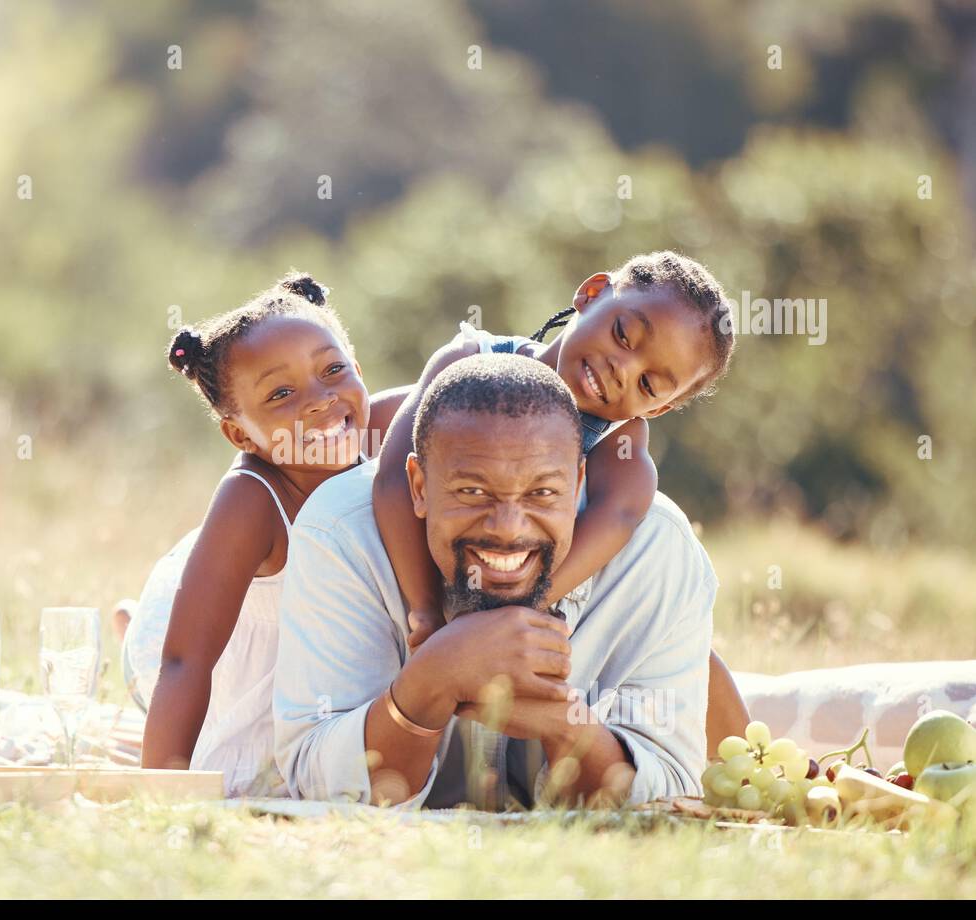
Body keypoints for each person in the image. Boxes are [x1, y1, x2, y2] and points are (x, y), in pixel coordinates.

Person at [275, 354, 718, 809]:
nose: (508, 528)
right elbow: (316, 783)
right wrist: (430, 682)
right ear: (420, 486)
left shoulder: (658, 551)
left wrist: (564, 723)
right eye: (472, 492)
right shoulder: (340, 532)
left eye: (542, 492)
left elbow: (669, 793)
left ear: (577, 480)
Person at [372, 251, 750, 752]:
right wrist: (423, 609)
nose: (622, 369)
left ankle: (761, 764)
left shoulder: (621, 448)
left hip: (523, 594)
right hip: (427, 569)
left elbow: (618, 517)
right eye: (623, 336)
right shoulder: (469, 362)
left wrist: (519, 611)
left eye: (647, 383)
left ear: (659, 407)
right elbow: (393, 481)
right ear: (591, 294)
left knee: (685, 645)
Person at [124, 272, 407, 796]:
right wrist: (160, 795)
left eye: (333, 370)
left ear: (359, 370)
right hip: (204, 639)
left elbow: (475, 384)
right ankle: (127, 631)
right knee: (154, 669)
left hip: (314, 647)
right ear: (239, 434)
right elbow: (186, 659)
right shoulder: (251, 500)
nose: (321, 400)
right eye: (280, 393)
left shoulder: (390, 426)